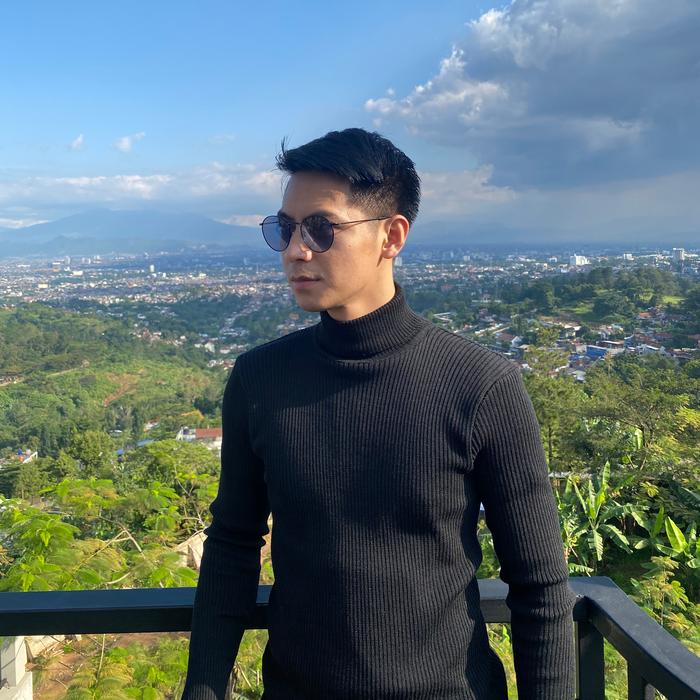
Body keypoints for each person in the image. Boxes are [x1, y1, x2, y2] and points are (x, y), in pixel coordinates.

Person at [181, 127, 575, 699]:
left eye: (321, 228)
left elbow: (540, 587)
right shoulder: (260, 379)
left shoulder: (480, 385)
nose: (296, 250)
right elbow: (232, 546)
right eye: (285, 229)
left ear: (391, 236)